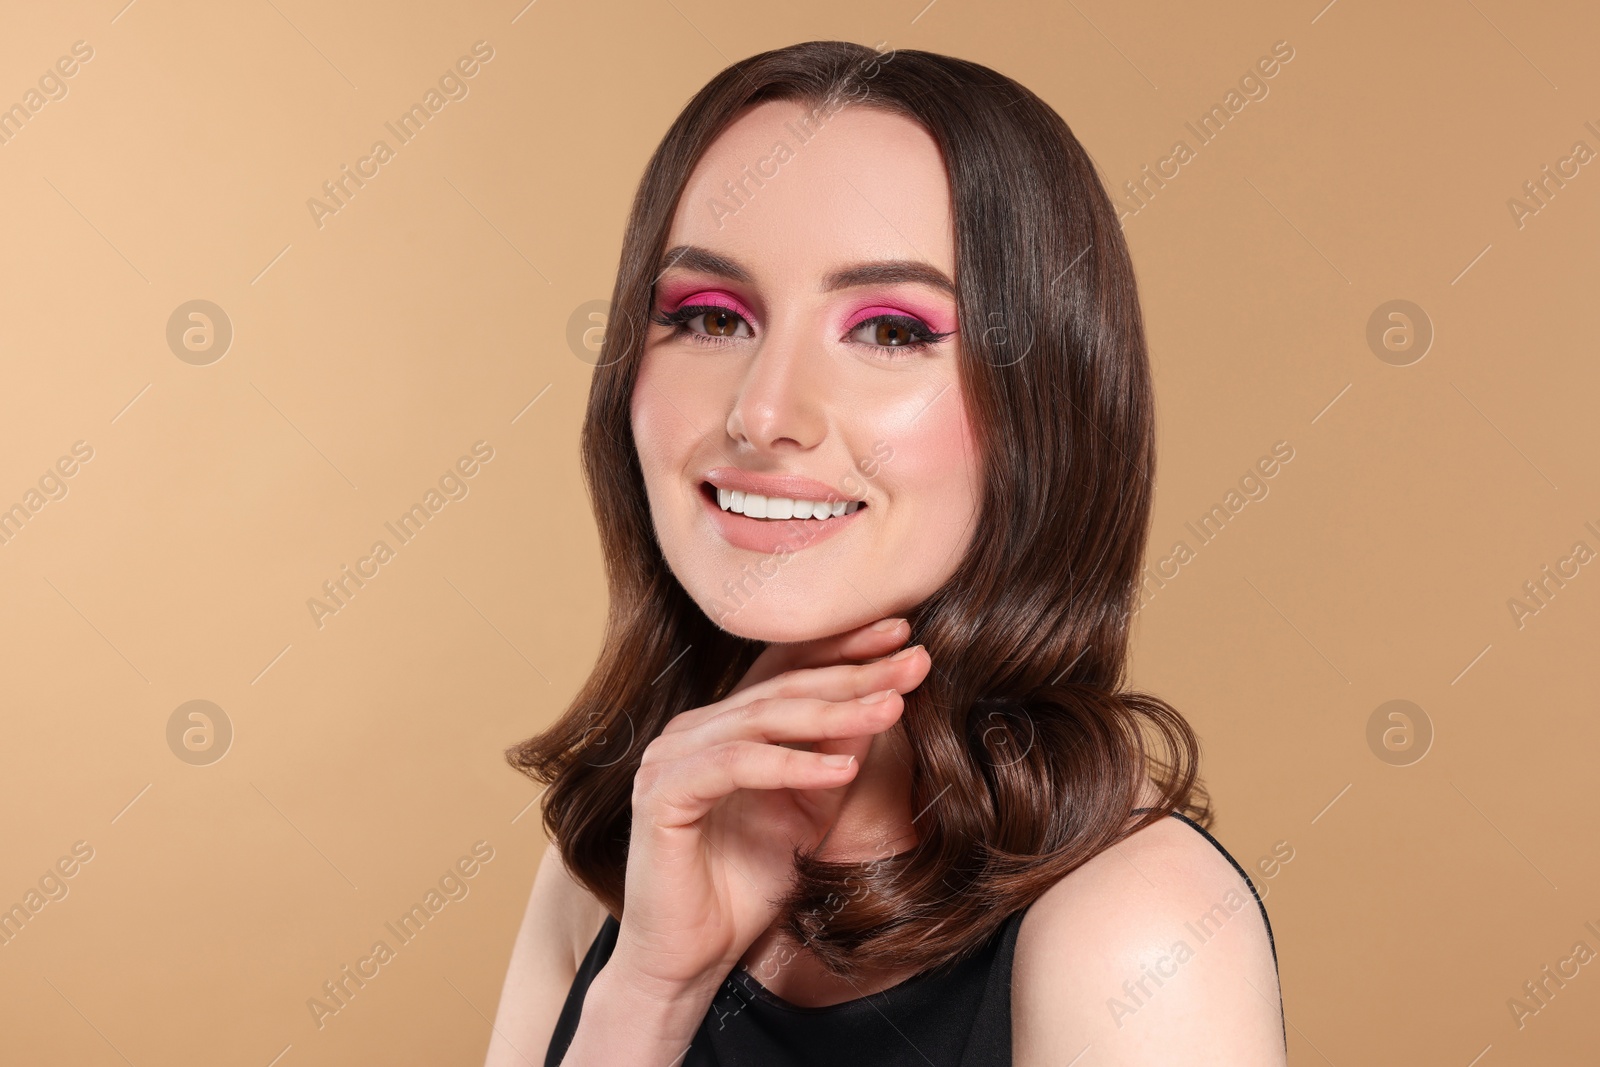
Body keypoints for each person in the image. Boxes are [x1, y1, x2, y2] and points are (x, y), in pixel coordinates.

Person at [485, 39, 1287, 1066]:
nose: (763, 412)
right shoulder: (615, 856)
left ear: (1042, 407)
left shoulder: (1139, 934)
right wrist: (648, 991)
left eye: (892, 331)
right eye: (711, 316)